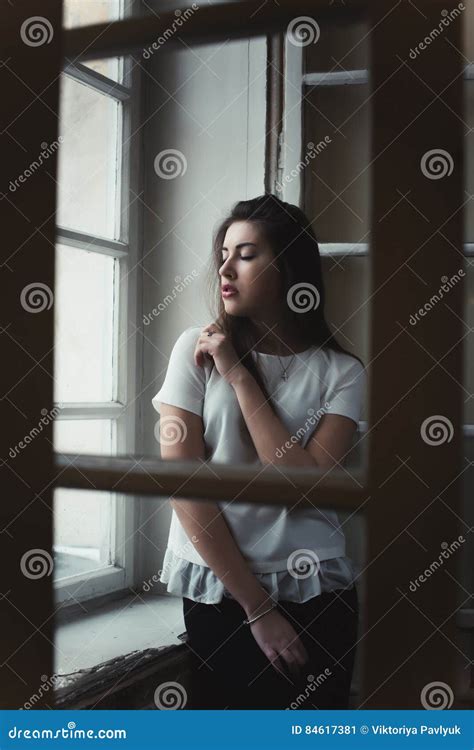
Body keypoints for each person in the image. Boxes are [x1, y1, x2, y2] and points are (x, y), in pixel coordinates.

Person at [151, 194, 367, 709]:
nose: (224, 267)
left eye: (245, 254)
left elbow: (300, 483)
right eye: (224, 253)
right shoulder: (193, 348)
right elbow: (185, 488)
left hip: (319, 588)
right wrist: (256, 607)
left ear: (289, 267)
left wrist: (237, 375)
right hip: (223, 590)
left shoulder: (343, 373)